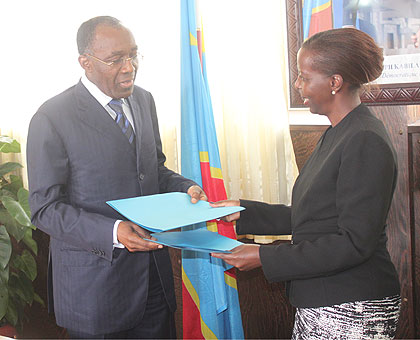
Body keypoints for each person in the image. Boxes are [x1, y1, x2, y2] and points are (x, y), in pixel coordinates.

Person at [211, 27, 401, 339]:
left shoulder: (364, 139)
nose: (298, 85)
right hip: (326, 299)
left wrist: (263, 257)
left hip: (354, 306)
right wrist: (242, 211)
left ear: (334, 82)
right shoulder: (339, 132)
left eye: (304, 76)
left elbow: (354, 243)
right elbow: (314, 215)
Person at [27, 16, 206, 339]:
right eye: (116, 59)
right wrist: (114, 231)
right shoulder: (52, 117)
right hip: (95, 293)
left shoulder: (144, 100)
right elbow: (44, 208)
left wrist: (186, 188)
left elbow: (153, 171)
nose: (129, 67)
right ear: (86, 63)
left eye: (133, 54)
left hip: (153, 283)